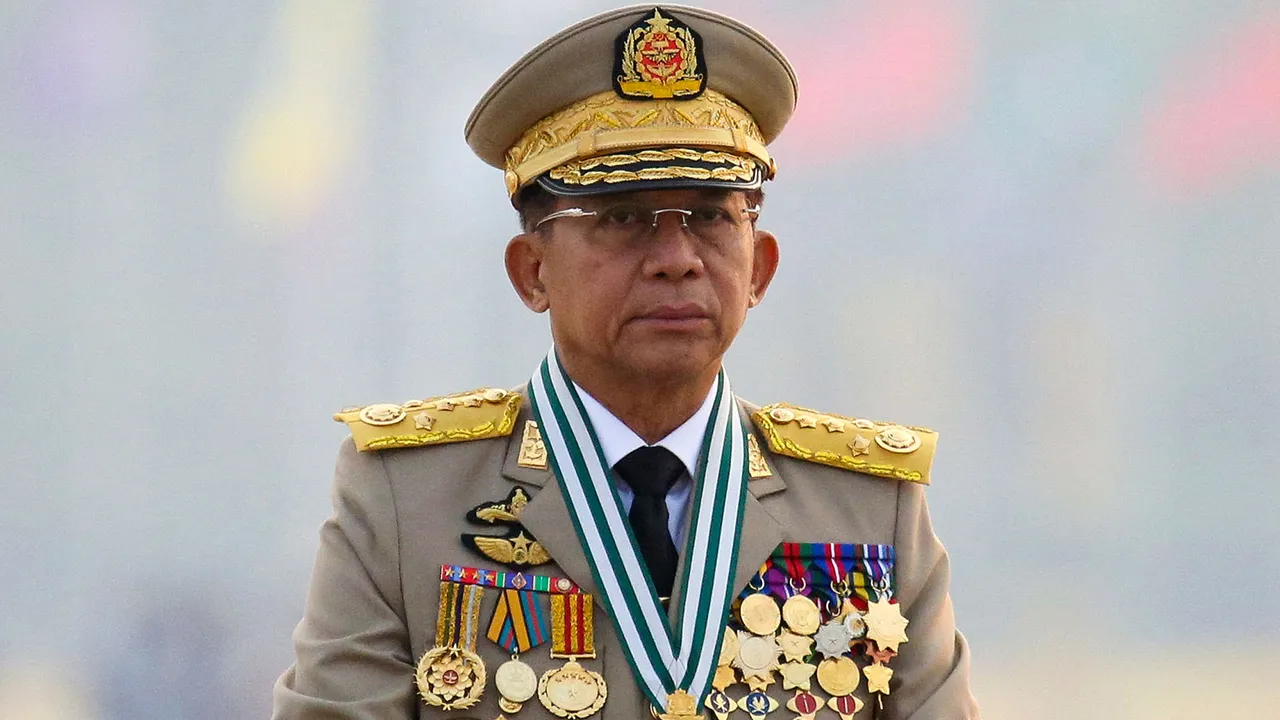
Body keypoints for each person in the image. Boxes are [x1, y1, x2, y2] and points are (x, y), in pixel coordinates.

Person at [273, 5, 978, 719]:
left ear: (759, 266)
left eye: (710, 216)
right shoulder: (405, 501)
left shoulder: (866, 508)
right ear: (532, 271)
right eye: (622, 218)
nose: (676, 260)